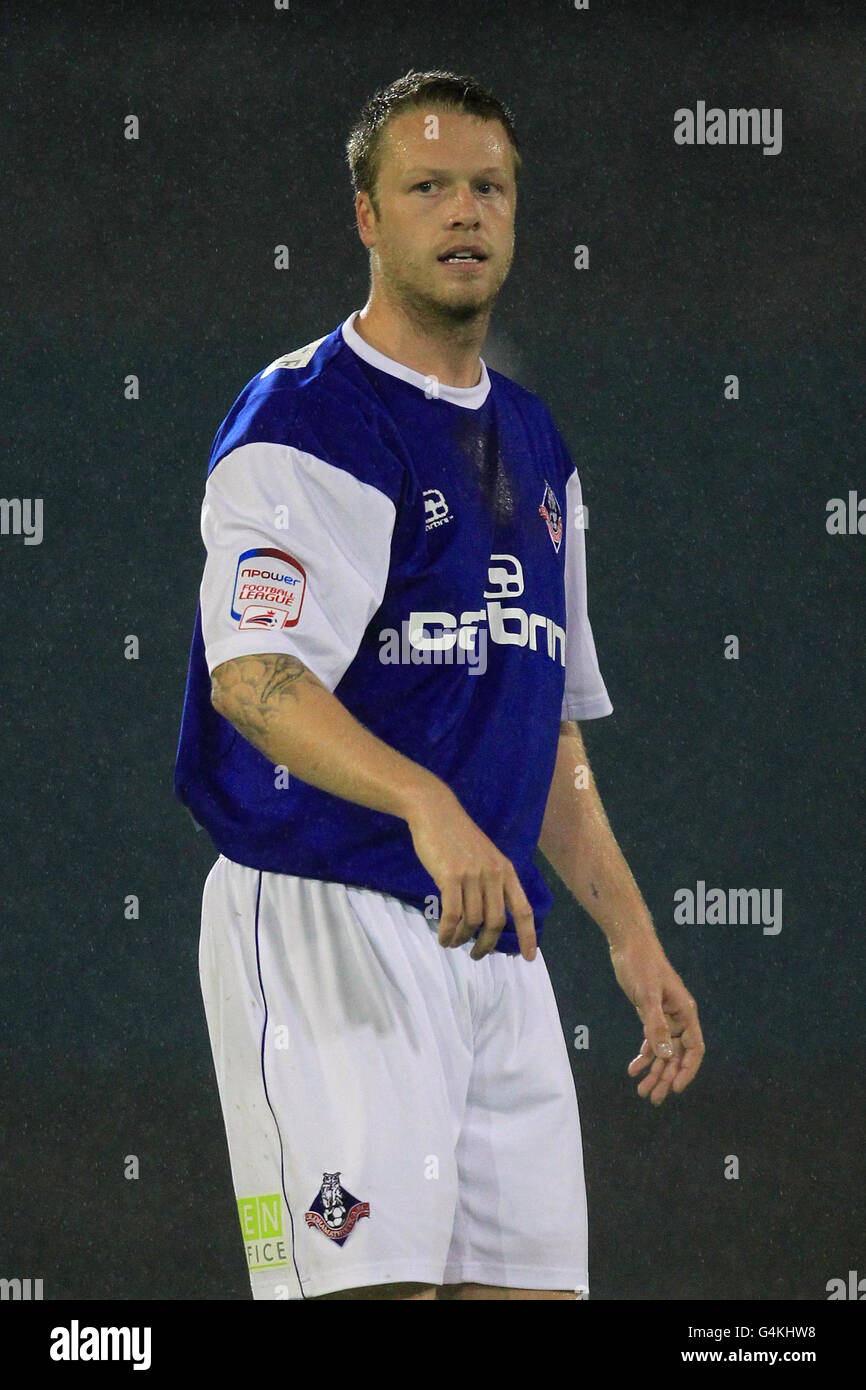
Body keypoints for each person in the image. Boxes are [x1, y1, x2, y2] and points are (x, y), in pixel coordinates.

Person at [174, 69, 704, 1303]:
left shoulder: (535, 443)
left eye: (487, 187)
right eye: (426, 188)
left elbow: (547, 722)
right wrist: (426, 803)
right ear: (367, 217)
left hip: (492, 940)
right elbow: (253, 678)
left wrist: (627, 932)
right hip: (325, 916)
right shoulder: (305, 416)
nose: (462, 211)